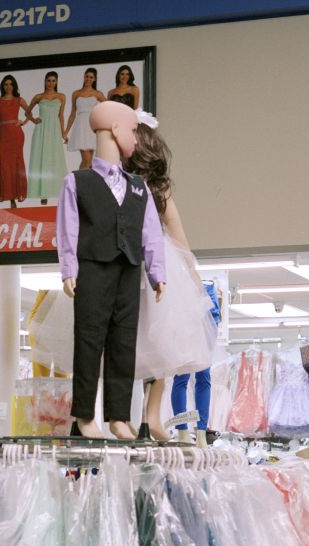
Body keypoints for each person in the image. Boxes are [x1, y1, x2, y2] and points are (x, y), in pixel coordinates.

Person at [56, 100, 166, 441]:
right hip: (92, 268)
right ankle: (85, 414)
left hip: (128, 270)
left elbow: (151, 233)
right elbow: (67, 228)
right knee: (89, 339)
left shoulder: (139, 186)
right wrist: (68, 268)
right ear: (115, 130)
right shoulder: (77, 181)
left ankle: (119, 416)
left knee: (123, 342)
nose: (136, 139)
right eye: (133, 131)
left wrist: (156, 273)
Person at [125, 118, 216, 442]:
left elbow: (178, 236)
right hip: (133, 263)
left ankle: (149, 418)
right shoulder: (134, 186)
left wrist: (194, 281)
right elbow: (179, 237)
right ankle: (140, 417)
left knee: (157, 345)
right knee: (147, 344)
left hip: (155, 267)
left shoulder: (156, 190)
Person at [0, 74, 33, 208]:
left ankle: (13, 198)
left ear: (14, 86)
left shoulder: (19, 100)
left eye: (11, 84)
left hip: (16, 136)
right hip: (3, 136)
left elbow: (29, 113)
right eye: (6, 84)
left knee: (15, 166)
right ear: (2, 86)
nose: (8, 87)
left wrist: (23, 121)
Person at [26, 71, 68, 205]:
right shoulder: (38, 97)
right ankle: (43, 195)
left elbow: (61, 116)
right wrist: (33, 119)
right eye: (48, 80)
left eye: (53, 81)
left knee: (55, 159)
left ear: (56, 82)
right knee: (41, 159)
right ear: (45, 82)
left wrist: (63, 133)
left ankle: (57, 192)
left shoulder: (61, 97)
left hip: (54, 131)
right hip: (41, 130)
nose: (51, 83)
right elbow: (27, 111)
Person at [65, 68, 104, 170]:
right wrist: (66, 132)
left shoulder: (97, 94)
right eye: (87, 76)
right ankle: (81, 182)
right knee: (86, 159)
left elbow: (108, 107)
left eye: (91, 77)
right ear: (84, 77)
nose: (88, 79)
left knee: (90, 159)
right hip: (81, 126)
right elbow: (72, 114)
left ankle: (85, 183)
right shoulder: (76, 94)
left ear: (94, 79)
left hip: (92, 126)